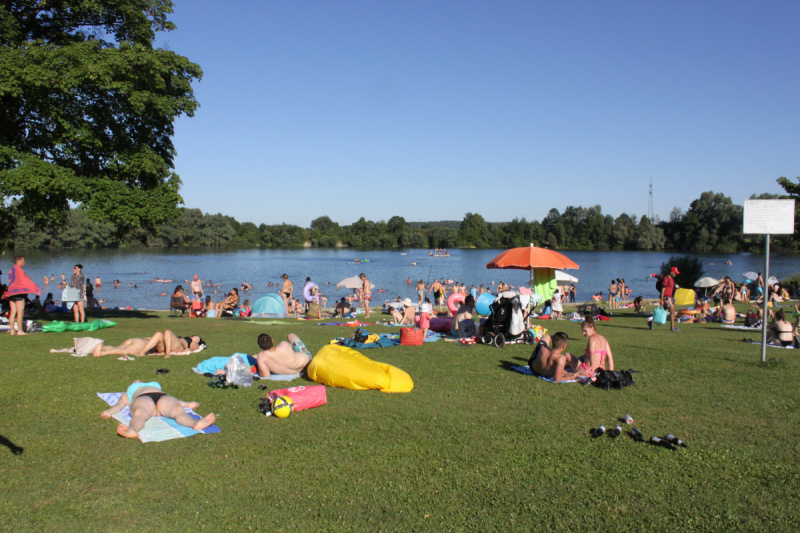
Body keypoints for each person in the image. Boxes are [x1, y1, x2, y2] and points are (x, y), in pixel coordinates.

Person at [100, 380, 216, 439]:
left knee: (177, 409)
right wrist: (109, 412)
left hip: (161, 397)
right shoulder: (128, 393)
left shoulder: (151, 385)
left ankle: (196, 423)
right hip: (143, 398)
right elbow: (120, 404)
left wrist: (187, 404)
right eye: (133, 383)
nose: (137, 380)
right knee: (139, 412)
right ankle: (132, 430)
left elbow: (176, 400)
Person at [5, 256, 41, 335]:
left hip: (10, 293)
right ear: (19, 261)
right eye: (23, 260)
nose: (24, 262)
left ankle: (12, 331)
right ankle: (20, 331)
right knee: (20, 312)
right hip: (18, 293)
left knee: (13, 312)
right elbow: (25, 279)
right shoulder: (19, 270)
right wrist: (34, 287)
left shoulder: (12, 270)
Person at [660, 267, 679, 331]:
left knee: (663, 313)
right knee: (672, 311)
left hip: (670, 297)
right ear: (671, 272)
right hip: (666, 297)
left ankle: (651, 322)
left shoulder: (672, 280)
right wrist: (661, 299)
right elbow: (663, 290)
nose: (675, 274)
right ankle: (672, 327)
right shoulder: (666, 278)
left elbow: (671, 290)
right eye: (675, 273)